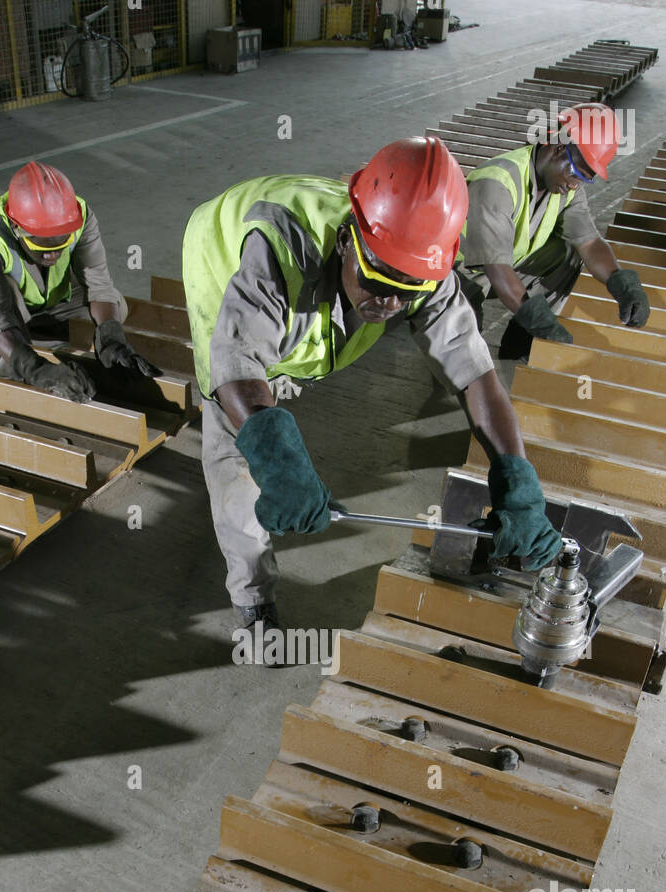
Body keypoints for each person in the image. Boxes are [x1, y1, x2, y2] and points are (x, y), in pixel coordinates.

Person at [182, 136, 563, 642]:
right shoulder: (278, 250)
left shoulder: (419, 265)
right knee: (238, 458)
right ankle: (253, 599)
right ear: (346, 240)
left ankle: (287, 376)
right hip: (217, 257)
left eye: (407, 293)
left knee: (290, 375)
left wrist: (517, 480)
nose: (386, 302)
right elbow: (236, 366)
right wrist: (278, 463)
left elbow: (476, 375)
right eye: (376, 277)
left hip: (328, 279)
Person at [0, 160, 160, 403]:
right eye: (42, 247)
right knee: (4, 312)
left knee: (115, 308)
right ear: (17, 228)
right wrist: (37, 370)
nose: (51, 255)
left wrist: (112, 339)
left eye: (58, 246)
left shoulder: (78, 216)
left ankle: (30, 333)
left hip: (34, 293)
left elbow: (99, 286)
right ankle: (8, 383)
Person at [456, 103, 651, 360]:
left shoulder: (564, 186)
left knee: (567, 255)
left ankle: (518, 347)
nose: (574, 185)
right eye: (576, 174)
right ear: (559, 148)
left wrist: (623, 284)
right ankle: (465, 336)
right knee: (467, 365)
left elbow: (589, 242)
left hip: (504, 266)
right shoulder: (498, 183)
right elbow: (497, 268)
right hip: (458, 276)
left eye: (584, 179)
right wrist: (543, 323)